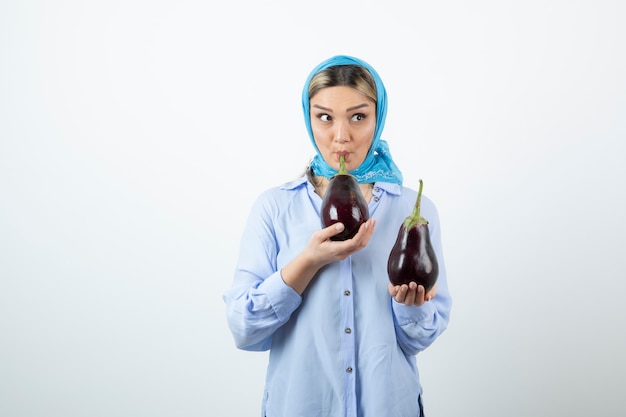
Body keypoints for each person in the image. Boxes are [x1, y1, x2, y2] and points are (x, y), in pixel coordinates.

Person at [223, 55, 452, 417]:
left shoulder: (414, 214)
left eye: (358, 117)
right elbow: (244, 329)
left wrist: (411, 308)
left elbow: (417, 340)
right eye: (325, 117)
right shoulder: (274, 208)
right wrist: (309, 261)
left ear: (378, 120)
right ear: (308, 118)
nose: (341, 136)